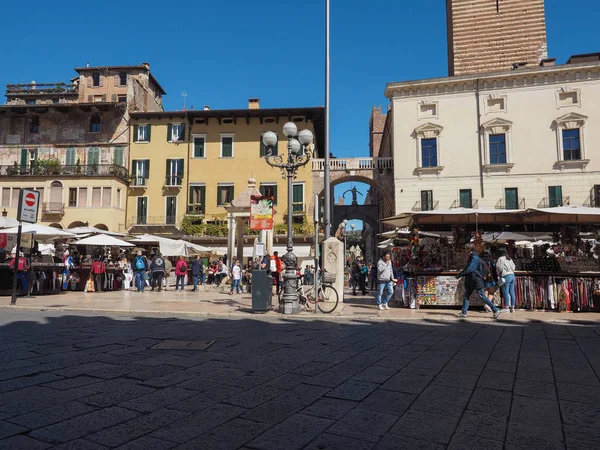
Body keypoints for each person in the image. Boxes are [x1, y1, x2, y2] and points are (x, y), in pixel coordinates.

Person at [457, 244, 501, 319]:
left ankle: (495, 309)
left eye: (466, 249)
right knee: (467, 295)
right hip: (473, 280)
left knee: (482, 296)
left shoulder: (474, 258)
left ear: (469, 249)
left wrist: (460, 274)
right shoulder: (473, 257)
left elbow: (470, 268)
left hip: (475, 280)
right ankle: (464, 312)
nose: (465, 251)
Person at [496, 248, 517, 313]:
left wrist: (499, 273)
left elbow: (499, 267)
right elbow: (514, 267)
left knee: (506, 292)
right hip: (512, 275)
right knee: (512, 292)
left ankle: (507, 307)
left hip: (506, 275)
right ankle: (512, 307)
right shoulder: (509, 258)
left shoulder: (500, 258)